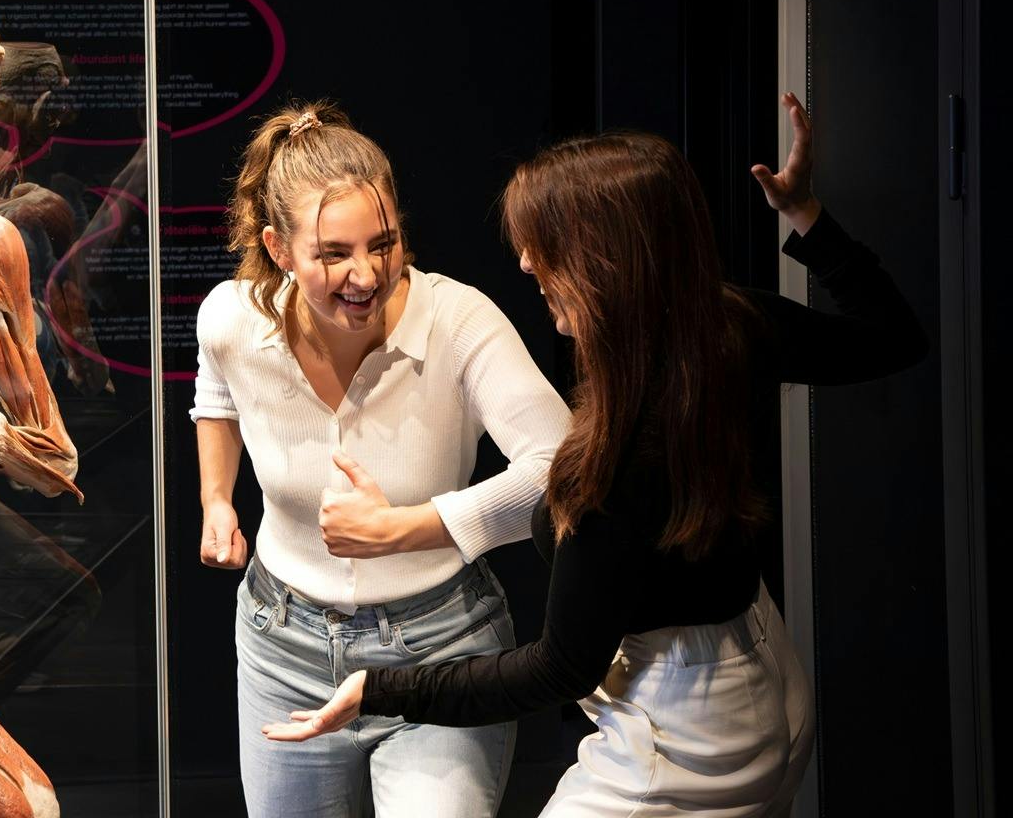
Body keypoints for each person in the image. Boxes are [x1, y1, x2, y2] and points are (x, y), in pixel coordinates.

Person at [264, 95, 926, 817]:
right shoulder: (732, 325)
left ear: (601, 260)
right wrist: (806, 216)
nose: (524, 261)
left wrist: (382, 688)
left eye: (541, 244)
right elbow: (893, 336)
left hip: (682, 740)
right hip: (765, 672)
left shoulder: (614, 463)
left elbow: (559, 666)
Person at [193, 100, 572, 817]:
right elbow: (216, 391)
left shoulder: (458, 321)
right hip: (285, 650)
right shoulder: (231, 317)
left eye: (383, 243)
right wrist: (217, 498)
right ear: (278, 249)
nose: (367, 274)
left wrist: (407, 528)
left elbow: (564, 468)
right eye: (333, 254)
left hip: (441, 648)